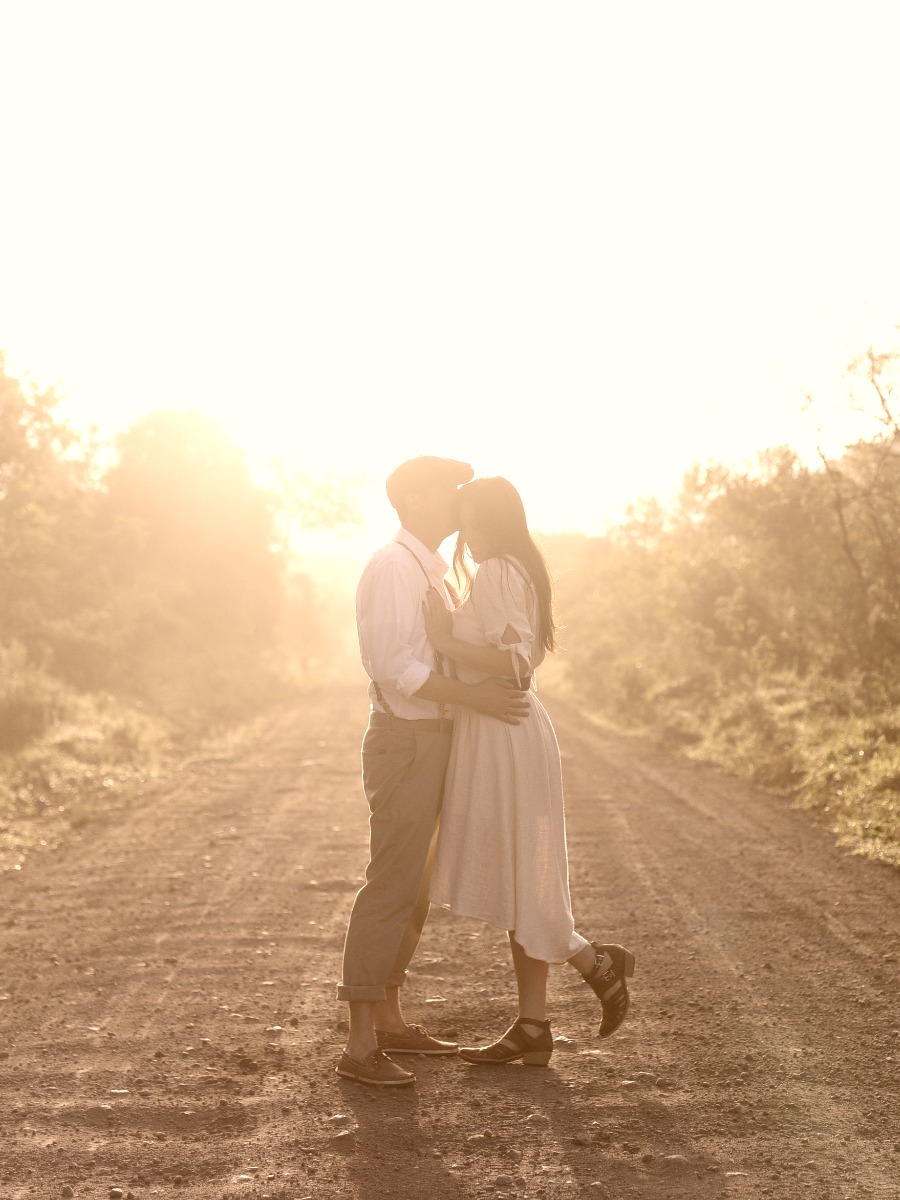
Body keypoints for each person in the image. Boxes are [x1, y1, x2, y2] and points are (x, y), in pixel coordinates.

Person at [425, 476, 635, 1067]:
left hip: (506, 731)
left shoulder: (499, 571)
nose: (467, 531)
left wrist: (444, 637)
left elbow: (514, 667)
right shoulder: (513, 569)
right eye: (464, 520)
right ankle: (536, 1021)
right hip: (500, 732)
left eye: (473, 519)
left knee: (524, 877)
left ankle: (590, 966)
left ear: (495, 519)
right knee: (522, 878)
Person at [335, 456, 531, 1088]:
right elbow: (392, 665)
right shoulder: (394, 567)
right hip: (406, 738)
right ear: (414, 500)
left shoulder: (433, 569)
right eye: (446, 489)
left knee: (413, 891)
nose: (457, 498)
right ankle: (360, 1045)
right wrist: (475, 697)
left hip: (433, 737)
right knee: (391, 883)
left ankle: (389, 1018)